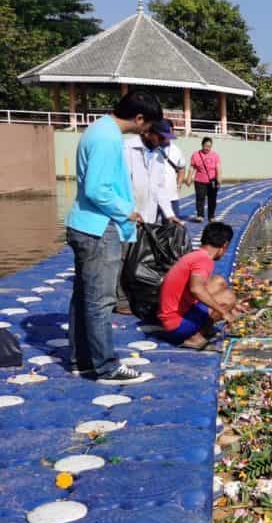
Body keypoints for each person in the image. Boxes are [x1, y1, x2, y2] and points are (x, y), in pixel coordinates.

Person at [66, 90, 162, 384]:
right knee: (100, 301)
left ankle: (81, 360)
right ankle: (105, 367)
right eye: (148, 125)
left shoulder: (99, 129)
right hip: (99, 227)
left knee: (85, 297)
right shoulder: (108, 139)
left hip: (85, 223)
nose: (147, 131)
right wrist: (126, 211)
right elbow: (97, 190)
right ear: (139, 118)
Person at [157, 221, 242, 349]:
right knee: (228, 297)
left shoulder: (195, 255)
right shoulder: (204, 260)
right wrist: (223, 311)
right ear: (225, 245)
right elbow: (196, 289)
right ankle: (197, 337)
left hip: (168, 316)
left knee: (219, 281)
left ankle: (204, 329)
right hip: (176, 326)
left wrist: (234, 306)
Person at [124, 121, 182, 225]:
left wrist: (169, 214)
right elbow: (120, 187)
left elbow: (159, 187)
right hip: (128, 216)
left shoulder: (158, 154)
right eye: (160, 137)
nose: (164, 141)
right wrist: (128, 211)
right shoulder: (126, 149)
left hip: (148, 219)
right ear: (147, 133)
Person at [155, 119, 189, 221]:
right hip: (152, 198)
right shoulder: (151, 149)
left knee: (171, 228)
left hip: (171, 197)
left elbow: (182, 168)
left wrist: (178, 185)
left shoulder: (176, 150)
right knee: (149, 228)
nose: (167, 138)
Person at [191, 137, 221, 223]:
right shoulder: (196, 155)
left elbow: (218, 168)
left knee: (212, 199)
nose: (207, 148)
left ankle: (211, 216)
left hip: (212, 181)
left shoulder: (215, 155)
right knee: (200, 198)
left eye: (209, 146)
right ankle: (200, 215)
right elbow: (192, 167)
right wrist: (189, 178)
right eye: (206, 146)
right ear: (202, 145)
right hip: (199, 180)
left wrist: (219, 178)